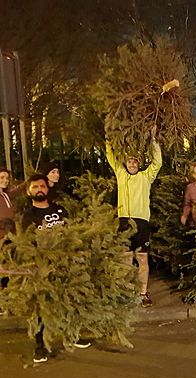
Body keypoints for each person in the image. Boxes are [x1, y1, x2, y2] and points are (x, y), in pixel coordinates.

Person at [21, 174, 91, 363]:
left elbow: (70, 232)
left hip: (65, 264)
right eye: (35, 187)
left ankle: (73, 335)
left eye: (42, 186)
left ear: (47, 188)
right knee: (41, 307)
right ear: (29, 191)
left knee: (69, 301)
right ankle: (40, 346)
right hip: (42, 267)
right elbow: (28, 242)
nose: (39, 189)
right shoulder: (29, 216)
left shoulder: (59, 210)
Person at [105, 126, 162, 308]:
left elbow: (157, 163)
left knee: (142, 258)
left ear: (138, 164)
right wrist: (108, 139)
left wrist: (153, 140)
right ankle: (127, 292)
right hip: (124, 221)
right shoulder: (120, 174)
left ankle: (143, 293)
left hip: (141, 222)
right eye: (129, 162)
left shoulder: (146, 177)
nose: (132, 164)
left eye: (134, 162)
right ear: (126, 163)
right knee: (125, 259)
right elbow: (111, 157)